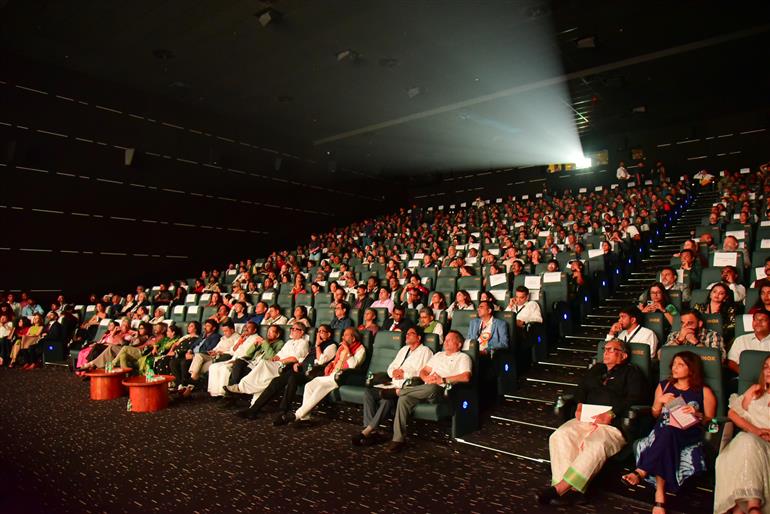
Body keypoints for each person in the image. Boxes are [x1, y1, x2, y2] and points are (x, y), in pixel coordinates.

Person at [538, 339, 648, 506]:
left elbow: (636, 397)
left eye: (611, 349)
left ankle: (559, 489)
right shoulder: (597, 369)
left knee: (595, 445)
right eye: (605, 348)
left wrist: (611, 413)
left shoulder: (632, 372)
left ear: (623, 355)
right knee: (560, 436)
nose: (606, 352)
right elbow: (581, 389)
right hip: (587, 417)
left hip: (612, 423)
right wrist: (579, 405)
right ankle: (573, 492)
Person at [621, 351, 716, 514]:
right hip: (663, 430)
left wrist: (697, 414)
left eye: (680, 364)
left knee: (668, 432)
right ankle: (660, 498)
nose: (674, 368)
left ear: (691, 369)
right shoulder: (664, 386)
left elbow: (712, 423)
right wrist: (659, 402)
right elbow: (655, 414)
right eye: (673, 364)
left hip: (688, 433)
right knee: (667, 432)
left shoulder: (703, 391)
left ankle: (641, 471)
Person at [385, 330, 472, 453]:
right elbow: (423, 370)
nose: (445, 342)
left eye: (449, 340)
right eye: (445, 340)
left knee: (433, 388)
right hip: (424, 389)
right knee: (404, 399)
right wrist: (426, 378)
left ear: (459, 344)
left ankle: (399, 392)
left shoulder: (463, 357)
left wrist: (442, 379)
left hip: (441, 391)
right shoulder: (438, 355)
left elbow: (466, 377)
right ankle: (398, 439)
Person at [352, 326, 433, 446]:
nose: (407, 335)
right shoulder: (404, 349)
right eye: (406, 333)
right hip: (392, 384)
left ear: (419, 337)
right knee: (369, 392)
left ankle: (367, 431)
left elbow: (423, 372)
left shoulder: (426, 352)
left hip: (406, 386)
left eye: (410, 333)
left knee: (387, 401)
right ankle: (371, 432)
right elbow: (391, 366)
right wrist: (393, 372)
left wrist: (404, 374)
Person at [273, 327, 366, 425]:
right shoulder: (341, 348)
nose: (343, 337)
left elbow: (353, 365)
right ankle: (305, 418)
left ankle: (296, 415)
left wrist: (347, 350)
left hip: (343, 377)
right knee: (309, 385)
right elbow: (336, 361)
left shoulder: (360, 349)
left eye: (346, 335)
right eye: (343, 335)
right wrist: (330, 365)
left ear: (353, 338)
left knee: (321, 387)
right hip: (331, 374)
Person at [713, 355, 770, 514]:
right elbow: (733, 413)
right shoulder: (755, 390)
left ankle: (746, 508)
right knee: (746, 442)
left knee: (748, 444)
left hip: (766, 446)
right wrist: (755, 430)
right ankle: (752, 507)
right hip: (748, 440)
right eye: (766, 367)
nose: (768, 371)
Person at [246, 324, 337, 420]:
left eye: (322, 331)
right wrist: (299, 363)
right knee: (276, 381)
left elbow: (322, 361)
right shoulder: (316, 345)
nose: (319, 334)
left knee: (292, 378)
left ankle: (283, 411)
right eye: (318, 331)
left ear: (329, 334)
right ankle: (254, 409)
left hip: (313, 373)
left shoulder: (332, 346)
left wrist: (317, 345)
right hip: (302, 369)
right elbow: (306, 357)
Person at [234, 324, 310, 418]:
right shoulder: (289, 342)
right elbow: (279, 354)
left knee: (263, 364)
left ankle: (241, 387)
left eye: (295, 329)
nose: (292, 330)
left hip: (287, 366)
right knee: (263, 380)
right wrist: (274, 358)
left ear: (302, 332)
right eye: (291, 328)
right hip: (278, 364)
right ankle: (253, 408)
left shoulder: (303, 343)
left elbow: (294, 358)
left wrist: (279, 361)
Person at [225, 325, 289, 398]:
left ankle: (230, 395)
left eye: (271, 331)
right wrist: (255, 344)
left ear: (277, 335)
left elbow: (272, 357)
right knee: (238, 362)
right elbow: (248, 353)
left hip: (260, 366)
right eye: (268, 331)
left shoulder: (280, 343)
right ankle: (233, 391)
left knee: (239, 372)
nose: (268, 333)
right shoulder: (265, 340)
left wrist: (264, 343)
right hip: (252, 362)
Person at [207, 321, 261, 397]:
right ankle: (214, 392)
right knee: (213, 366)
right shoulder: (243, 337)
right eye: (245, 327)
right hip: (233, 358)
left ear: (254, 330)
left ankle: (223, 392)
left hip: (242, 361)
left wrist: (235, 360)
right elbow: (232, 351)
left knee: (224, 369)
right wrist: (239, 342)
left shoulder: (256, 338)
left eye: (249, 327)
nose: (246, 328)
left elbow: (248, 354)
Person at [171, 319, 221, 394]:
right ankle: (179, 385)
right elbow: (194, 345)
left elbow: (210, 349)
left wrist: (193, 355)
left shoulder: (216, 337)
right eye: (205, 325)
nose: (205, 327)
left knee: (184, 363)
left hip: (202, 356)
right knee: (173, 362)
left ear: (213, 328)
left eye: (208, 326)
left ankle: (187, 384)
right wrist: (189, 351)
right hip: (193, 354)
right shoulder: (203, 335)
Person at [728, 309, 770, 375]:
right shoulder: (741, 340)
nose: (758, 322)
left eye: (763, 320)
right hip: (744, 377)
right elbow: (731, 362)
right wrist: (744, 374)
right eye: (755, 319)